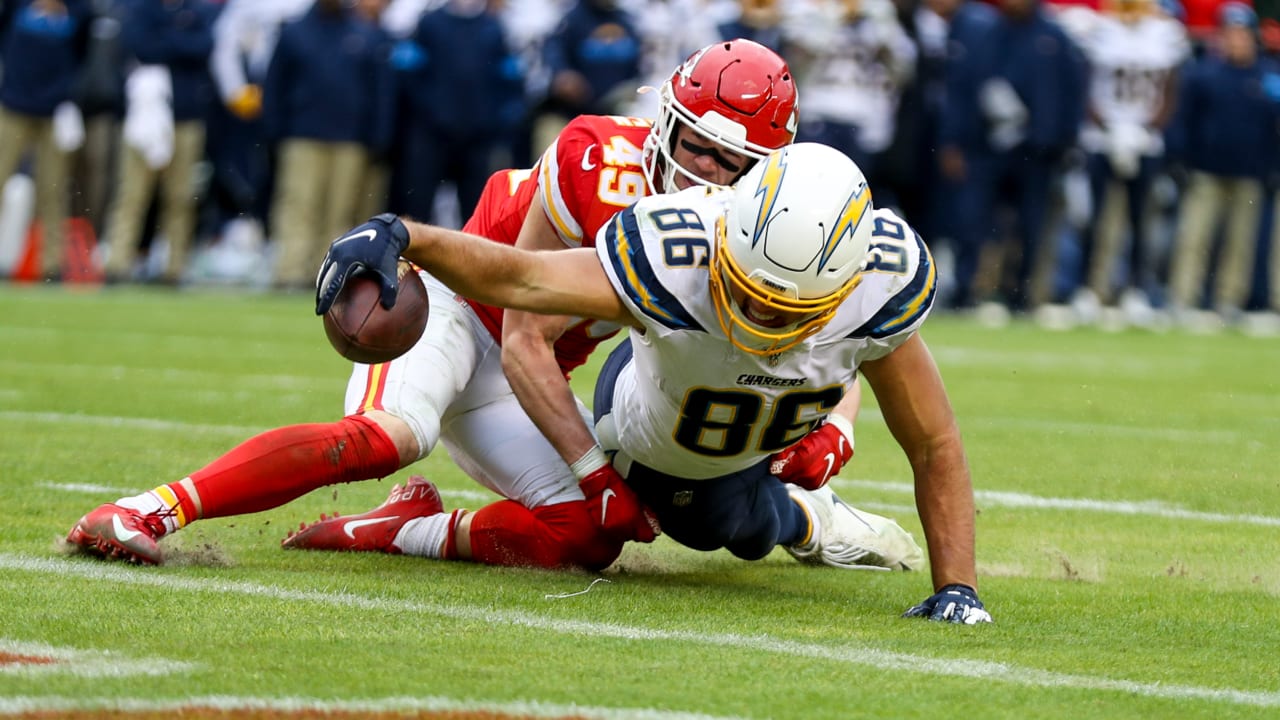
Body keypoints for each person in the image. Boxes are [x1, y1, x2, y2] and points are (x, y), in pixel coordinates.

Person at [64, 39, 808, 573]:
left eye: (734, 163)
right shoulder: (596, 161)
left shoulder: (751, 235)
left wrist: (806, 423)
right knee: (388, 437)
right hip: (462, 313)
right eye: (698, 146)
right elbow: (522, 324)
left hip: (529, 371)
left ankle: (397, 532)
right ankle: (145, 509)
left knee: (591, 537)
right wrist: (593, 469)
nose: (706, 173)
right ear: (665, 118)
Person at [304, 142, 990, 624]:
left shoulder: (883, 281)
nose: (759, 317)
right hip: (657, 418)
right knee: (716, 523)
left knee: (749, 489)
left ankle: (807, 507)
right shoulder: (676, 246)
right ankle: (811, 516)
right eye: (748, 294)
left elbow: (933, 440)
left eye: (787, 309)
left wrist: (958, 588)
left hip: (759, 422)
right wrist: (408, 236)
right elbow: (523, 277)